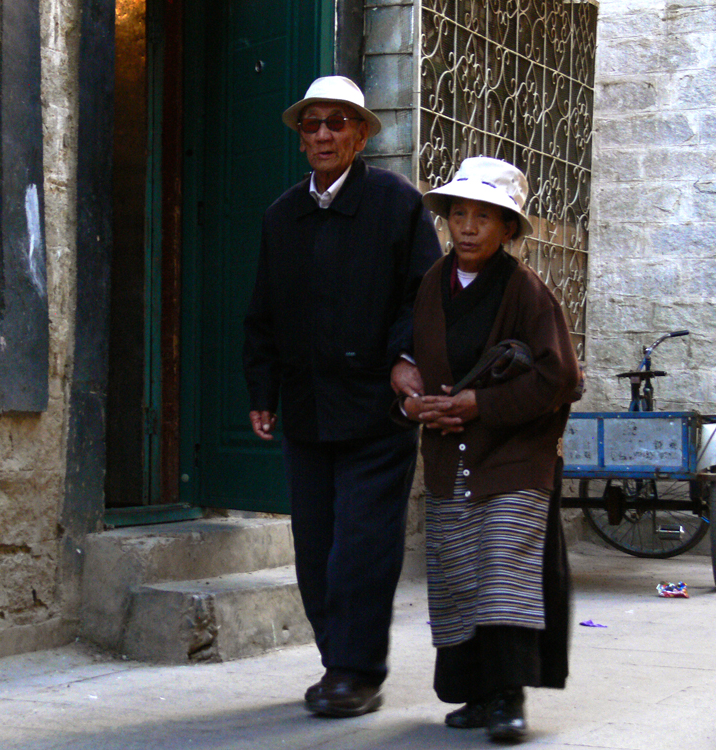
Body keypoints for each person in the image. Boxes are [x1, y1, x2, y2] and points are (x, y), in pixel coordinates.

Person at [242, 76, 442, 718]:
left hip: (374, 410)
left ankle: (357, 671)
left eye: (337, 123)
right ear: (302, 138)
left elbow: (425, 295)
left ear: (359, 134)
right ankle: (338, 661)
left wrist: (407, 359)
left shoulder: (395, 204)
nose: (324, 134)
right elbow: (263, 312)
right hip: (306, 408)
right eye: (312, 124)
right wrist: (262, 389)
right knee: (316, 544)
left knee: (362, 545)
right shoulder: (281, 216)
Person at [392, 156, 580, 741]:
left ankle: (509, 699)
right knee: (457, 576)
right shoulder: (432, 285)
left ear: (508, 229)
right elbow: (415, 363)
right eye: (459, 214)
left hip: (515, 460)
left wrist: (482, 406)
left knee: (505, 573)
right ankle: (475, 694)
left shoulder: (527, 291)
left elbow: (559, 379)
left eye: (485, 217)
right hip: (451, 460)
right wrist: (414, 402)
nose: (468, 227)